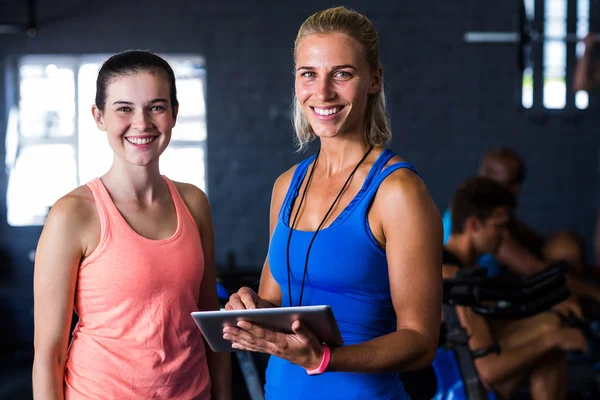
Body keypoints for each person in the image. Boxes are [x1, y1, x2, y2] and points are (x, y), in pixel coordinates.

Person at [223, 6, 443, 400]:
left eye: (342, 74)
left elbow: (421, 342)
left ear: (374, 80)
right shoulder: (286, 185)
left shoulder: (398, 192)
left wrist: (323, 359)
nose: (322, 93)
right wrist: (248, 307)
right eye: (309, 74)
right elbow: (275, 302)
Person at [32, 50, 231, 399]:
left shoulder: (194, 203)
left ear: (173, 114)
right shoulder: (72, 214)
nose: (142, 123)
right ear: (99, 117)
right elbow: (50, 354)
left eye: (156, 107)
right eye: (124, 108)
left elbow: (210, 327)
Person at [443, 177, 589, 400]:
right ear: (473, 225)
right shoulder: (455, 277)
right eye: (499, 227)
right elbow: (487, 371)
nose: (505, 235)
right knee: (551, 335)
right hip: (458, 383)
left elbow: (492, 314)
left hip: (464, 366)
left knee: (549, 322)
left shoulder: (458, 266)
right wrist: (553, 339)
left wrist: (550, 308)